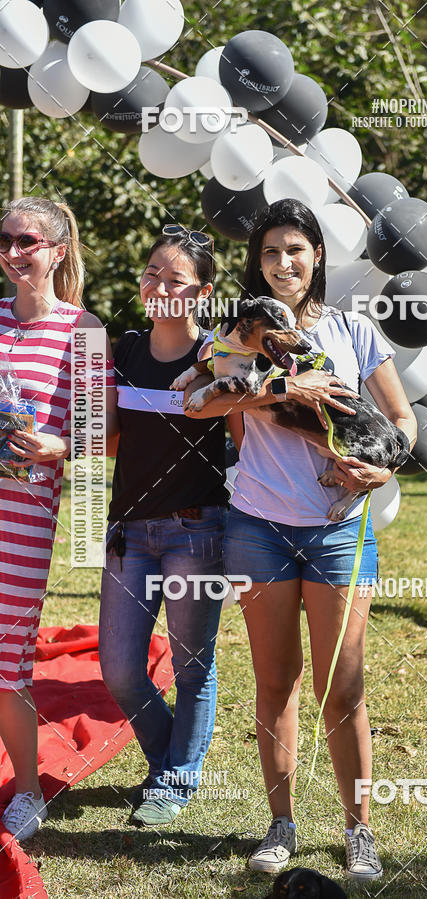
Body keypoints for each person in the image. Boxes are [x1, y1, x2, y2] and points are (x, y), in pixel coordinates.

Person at [184, 199, 417, 881]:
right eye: (270, 252)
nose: (284, 262)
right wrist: (284, 382)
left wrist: (385, 464)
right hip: (258, 523)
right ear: (255, 263)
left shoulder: (354, 329)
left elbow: (400, 419)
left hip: (341, 529)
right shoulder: (236, 339)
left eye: (297, 249)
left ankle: (359, 829)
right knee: (274, 681)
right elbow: (200, 401)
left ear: (318, 256)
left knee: (342, 687)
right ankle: (281, 824)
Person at [99, 226, 241, 827]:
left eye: (175, 279)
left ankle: (176, 779)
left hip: (196, 533)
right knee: (121, 669)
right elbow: (105, 441)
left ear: (202, 292)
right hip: (130, 533)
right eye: (152, 273)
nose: (159, 285)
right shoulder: (123, 350)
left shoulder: (217, 356)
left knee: (192, 667)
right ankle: (169, 763)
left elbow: (242, 445)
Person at [0, 196, 117, 840]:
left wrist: (60, 447)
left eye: (28, 241)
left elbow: (102, 438)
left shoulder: (86, 332)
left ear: (57, 250)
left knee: (7, 657)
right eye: (6, 240)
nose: (14, 252)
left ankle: (26, 792)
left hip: (24, 515)